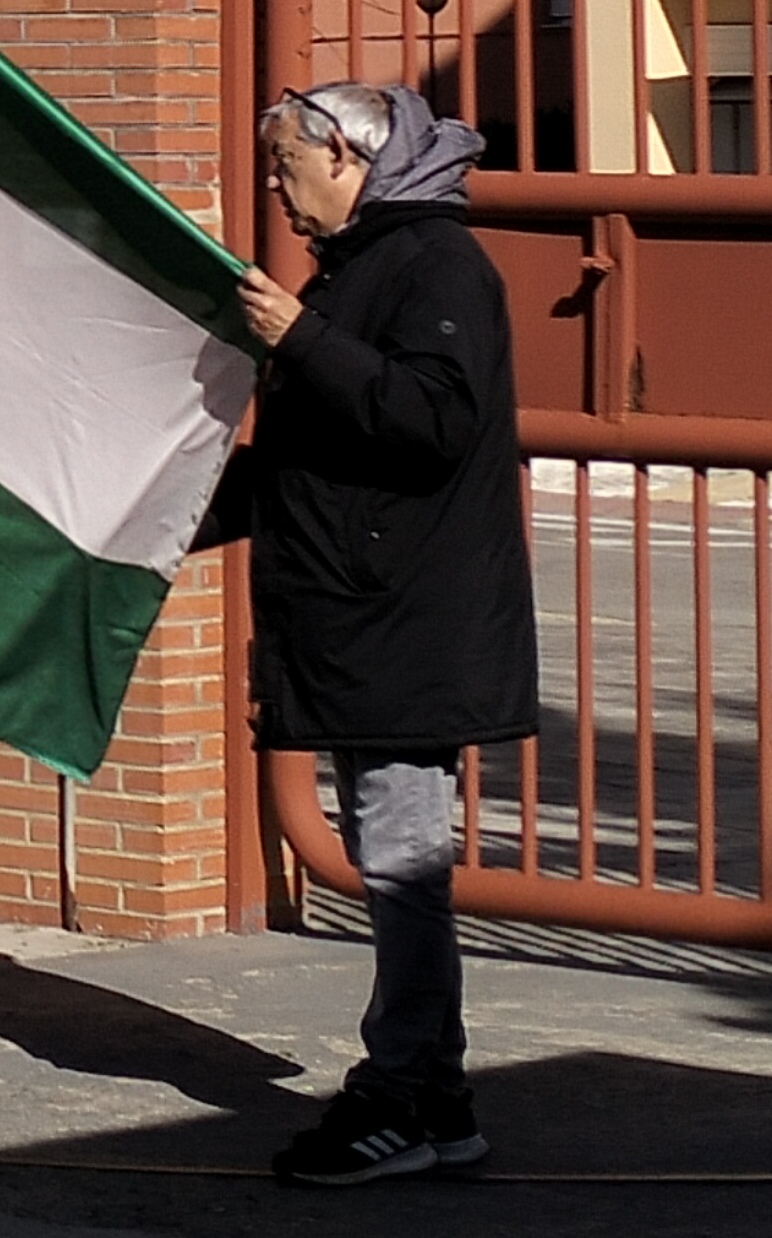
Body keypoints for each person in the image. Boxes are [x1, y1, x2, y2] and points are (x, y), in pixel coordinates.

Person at [225, 81, 538, 1189]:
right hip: (365, 616)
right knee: (394, 863)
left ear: (349, 159)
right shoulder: (362, 265)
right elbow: (315, 452)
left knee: (403, 871)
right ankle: (434, 1099)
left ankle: (400, 1094)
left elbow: (432, 418)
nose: (277, 186)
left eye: (287, 163)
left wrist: (301, 336)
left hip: (405, 622)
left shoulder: (434, 265)